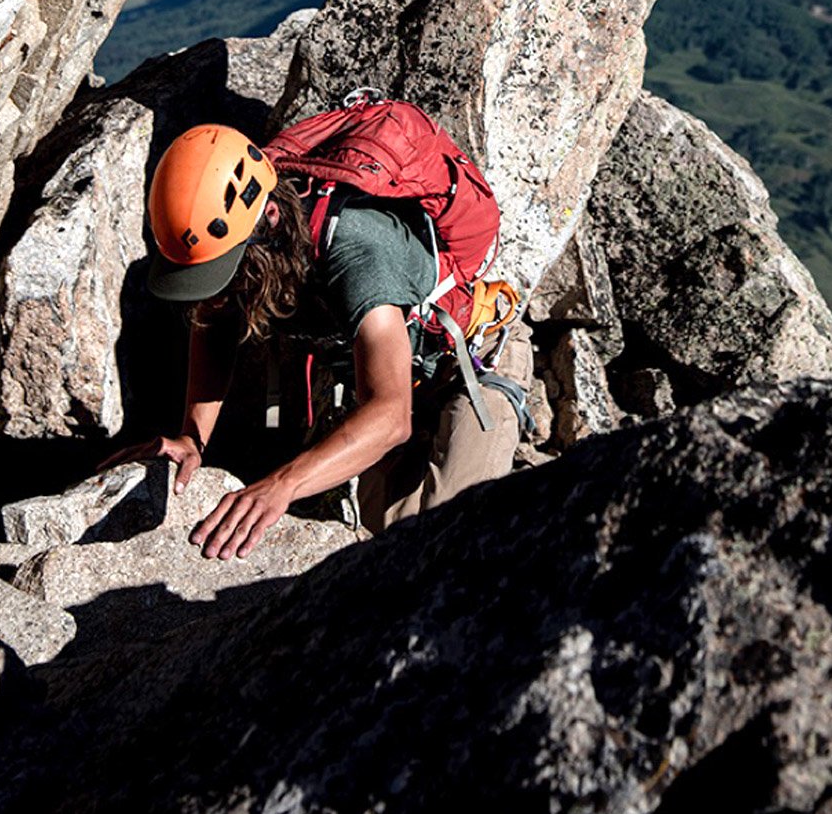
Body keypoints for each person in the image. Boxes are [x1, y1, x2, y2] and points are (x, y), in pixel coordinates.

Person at [104, 114, 531, 559]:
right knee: (388, 548)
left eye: (224, 272)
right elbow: (214, 322)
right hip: (386, 368)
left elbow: (390, 416)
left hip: (464, 365)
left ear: (270, 217)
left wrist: (281, 485)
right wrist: (193, 438)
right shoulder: (251, 234)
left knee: (447, 541)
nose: (220, 291)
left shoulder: (357, 249)